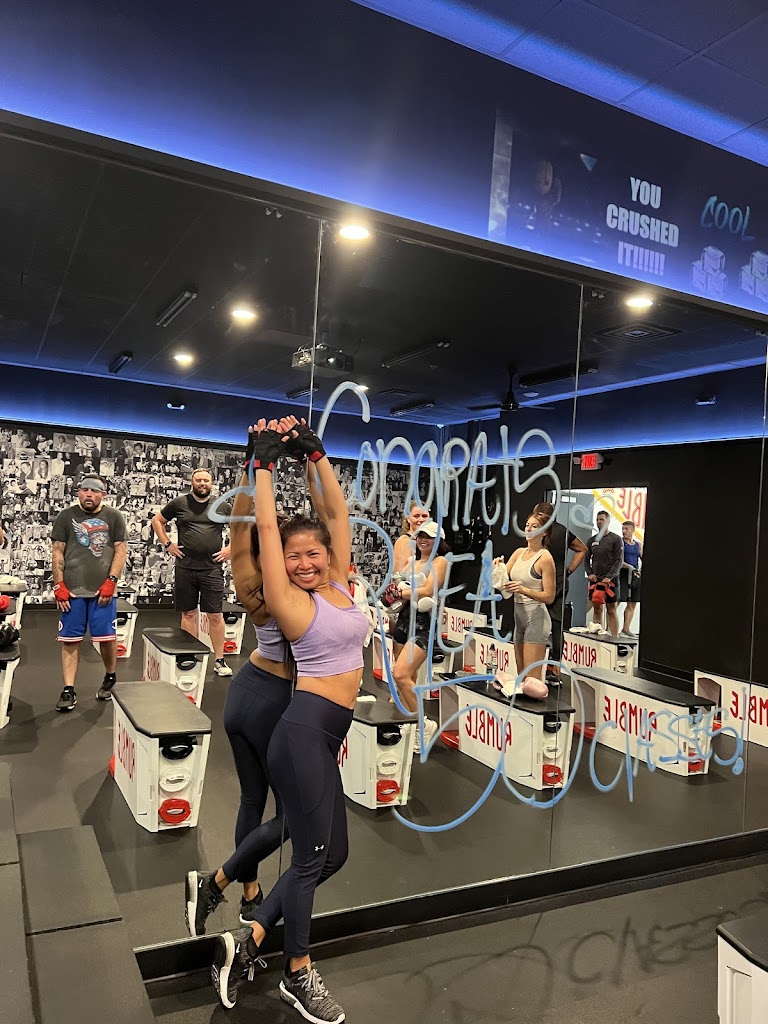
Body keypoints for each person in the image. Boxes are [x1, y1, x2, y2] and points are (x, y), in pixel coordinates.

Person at [212, 416, 368, 1024]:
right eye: (293, 556)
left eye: (313, 554)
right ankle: (297, 973)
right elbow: (263, 528)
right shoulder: (289, 601)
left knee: (334, 856)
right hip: (302, 730)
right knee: (308, 859)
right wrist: (263, 467)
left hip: (325, 734)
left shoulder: (341, 584)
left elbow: (337, 513)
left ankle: (249, 938)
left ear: (328, 555)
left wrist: (316, 455)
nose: (304, 563)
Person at [186, 446, 293, 937]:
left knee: (252, 799)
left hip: (243, 692)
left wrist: (255, 468)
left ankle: (251, 894)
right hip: (274, 700)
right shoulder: (297, 594)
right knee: (293, 818)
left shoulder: (251, 581)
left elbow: (240, 523)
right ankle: (218, 880)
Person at [51, 477, 127, 711]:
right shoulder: (66, 516)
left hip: (102, 590)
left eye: (94, 491)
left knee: (106, 639)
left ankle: (110, 675)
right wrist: (58, 584)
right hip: (73, 590)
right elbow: (57, 551)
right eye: (84, 490)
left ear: (103, 494)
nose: (89, 494)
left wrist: (111, 582)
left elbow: (121, 551)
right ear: (78, 492)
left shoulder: (114, 516)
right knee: (70, 641)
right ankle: (68, 689)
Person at [151, 469, 233, 677]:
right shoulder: (179, 503)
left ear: (212, 483)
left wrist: (230, 549)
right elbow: (157, 521)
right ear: (192, 482)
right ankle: (190, 655)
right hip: (185, 568)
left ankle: (220, 660)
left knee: (215, 615)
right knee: (188, 613)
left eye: (206, 480)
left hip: (212, 569)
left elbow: (241, 528)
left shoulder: (222, 505)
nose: (202, 483)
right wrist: (167, 544)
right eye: (198, 480)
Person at [391, 520, 449, 750]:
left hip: (424, 625)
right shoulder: (411, 562)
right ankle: (411, 723)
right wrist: (397, 591)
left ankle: (423, 724)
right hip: (404, 621)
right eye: (421, 536)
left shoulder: (440, 561)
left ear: (438, 540)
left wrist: (401, 592)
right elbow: (398, 586)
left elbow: (427, 590)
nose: (423, 540)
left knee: (400, 674)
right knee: (408, 678)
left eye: (429, 536)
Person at [496, 512, 554, 699]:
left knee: (532, 681)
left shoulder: (545, 558)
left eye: (534, 526)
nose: (528, 529)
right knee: (521, 678)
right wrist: (498, 567)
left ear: (544, 532)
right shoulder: (518, 553)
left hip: (536, 619)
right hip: (519, 618)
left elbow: (549, 596)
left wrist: (523, 589)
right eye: (527, 525)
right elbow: (502, 581)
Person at [531, 501, 587, 685]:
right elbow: (582, 549)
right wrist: (568, 571)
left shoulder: (539, 531)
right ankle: (554, 671)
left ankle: (534, 668)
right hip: (559, 581)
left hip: (541, 580)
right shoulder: (562, 530)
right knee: (556, 625)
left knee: (535, 623)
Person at [585, 510, 624, 637]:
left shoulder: (616, 539)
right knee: (597, 609)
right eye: (597, 520)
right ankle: (598, 637)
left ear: (608, 521)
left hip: (610, 581)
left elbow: (619, 561)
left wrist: (609, 577)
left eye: (602, 519)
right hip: (595, 580)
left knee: (611, 609)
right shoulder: (592, 540)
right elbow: (586, 559)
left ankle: (614, 638)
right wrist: (590, 573)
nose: (599, 522)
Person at [619, 520, 643, 638]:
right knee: (616, 602)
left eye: (626, 529)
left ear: (632, 530)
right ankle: (610, 629)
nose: (624, 531)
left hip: (634, 576)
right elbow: (618, 560)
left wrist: (640, 571)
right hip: (622, 575)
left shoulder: (638, 545)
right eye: (623, 529)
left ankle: (626, 629)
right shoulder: (620, 543)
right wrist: (629, 567)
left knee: (632, 603)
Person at [393, 502, 430, 573]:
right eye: (416, 516)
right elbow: (398, 574)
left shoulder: (430, 541)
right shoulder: (404, 541)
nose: (421, 519)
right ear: (408, 519)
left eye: (424, 516)